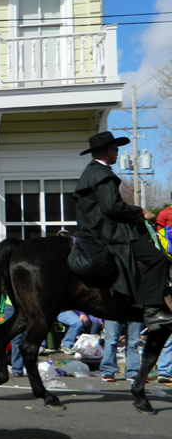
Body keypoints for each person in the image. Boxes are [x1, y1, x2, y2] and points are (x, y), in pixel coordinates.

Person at [73, 131, 171, 329]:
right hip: (112, 232)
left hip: (93, 230)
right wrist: (140, 212)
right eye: (115, 150)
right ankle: (152, 309)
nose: (117, 154)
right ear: (108, 151)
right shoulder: (104, 175)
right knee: (158, 258)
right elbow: (112, 207)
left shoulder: (89, 173)